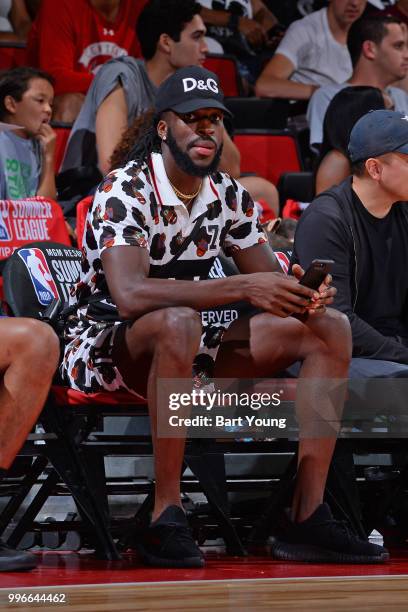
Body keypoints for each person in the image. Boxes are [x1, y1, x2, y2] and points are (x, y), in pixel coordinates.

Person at [61, 64, 388, 568]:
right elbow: (127, 296)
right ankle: (164, 514)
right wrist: (244, 285)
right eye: (193, 118)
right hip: (109, 347)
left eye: (215, 118)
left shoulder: (227, 194)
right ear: (165, 128)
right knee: (178, 320)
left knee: (328, 329)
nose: (206, 129)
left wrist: (301, 293)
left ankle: (308, 514)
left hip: (197, 345)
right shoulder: (124, 190)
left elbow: (266, 283)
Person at [60, 0, 279, 216]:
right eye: (197, 37)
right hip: (103, 191)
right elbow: (111, 165)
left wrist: (202, 98)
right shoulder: (122, 75)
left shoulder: (189, 89)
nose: (205, 48)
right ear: (166, 43)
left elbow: (232, 168)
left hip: (168, 187)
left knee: (263, 190)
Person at [293, 109, 408, 380]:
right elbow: (335, 319)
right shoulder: (326, 219)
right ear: (374, 168)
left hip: (394, 348)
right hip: (339, 352)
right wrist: (402, 354)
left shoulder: (402, 210)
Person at [0, 318, 60, 570]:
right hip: (97, 337)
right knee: (178, 329)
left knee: (185, 334)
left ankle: (169, 510)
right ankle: (167, 508)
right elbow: (127, 297)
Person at [27, 0, 147, 122]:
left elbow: (150, 77)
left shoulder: (144, 7)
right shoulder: (59, 4)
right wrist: (117, 84)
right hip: (63, 106)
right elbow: (55, 79)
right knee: (70, 105)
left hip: (125, 102)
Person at [307, 14, 408, 147]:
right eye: (398, 46)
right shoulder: (328, 97)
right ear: (369, 49)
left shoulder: (400, 96)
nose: (406, 55)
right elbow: (328, 157)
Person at [255, 0, 366, 100]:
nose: (355, 3)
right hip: (309, 118)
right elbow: (265, 85)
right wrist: (325, 93)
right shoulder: (305, 31)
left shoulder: (369, 35)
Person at [315, 85, 386, 194]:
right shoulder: (337, 161)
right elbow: (324, 209)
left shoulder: (383, 154)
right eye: (389, 111)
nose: (397, 116)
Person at [0, 67, 56, 201]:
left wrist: (48, 157)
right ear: (11, 104)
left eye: (51, 104)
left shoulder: (40, 144)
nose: (48, 109)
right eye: (40, 101)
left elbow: (46, 207)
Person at [197, 0, 280, 83]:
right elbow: (189, 8)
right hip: (210, 52)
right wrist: (236, 21)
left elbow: (261, 11)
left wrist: (265, 30)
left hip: (248, 57)